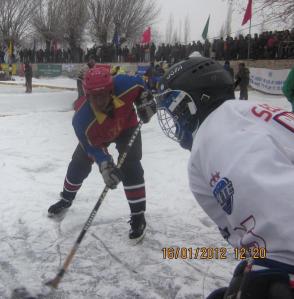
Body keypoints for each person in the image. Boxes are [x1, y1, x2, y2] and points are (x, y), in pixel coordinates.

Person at [156, 57, 294, 298]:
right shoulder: (241, 114)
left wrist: (275, 268)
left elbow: (284, 224)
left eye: (175, 110)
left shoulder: (217, 132)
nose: (175, 121)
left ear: (196, 100)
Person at [48, 66, 156, 241]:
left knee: (131, 166)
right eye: (93, 96)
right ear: (86, 94)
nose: (99, 100)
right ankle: (66, 199)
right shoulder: (81, 120)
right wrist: (105, 163)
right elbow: (92, 148)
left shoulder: (125, 84)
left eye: (103, 94)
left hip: (127, 127)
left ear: (111, 90)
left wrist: (145, 100)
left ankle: (138, 216)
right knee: (79, 163)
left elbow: (140, 87)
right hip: (98, 135)